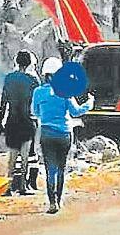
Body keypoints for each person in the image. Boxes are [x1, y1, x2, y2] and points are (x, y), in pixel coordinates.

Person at [31, 60, 93, 214]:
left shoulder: (38, 92)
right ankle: (58, 200)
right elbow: (75, 112)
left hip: (46, 133)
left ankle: (52, 202)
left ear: (45, 74)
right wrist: (89, 103)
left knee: (50, 169)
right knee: (61, 168)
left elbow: (35, 112)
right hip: (64, 134)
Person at [0, 51, 40, 195]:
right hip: (27, 121)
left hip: (12, 120)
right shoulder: (33, 80)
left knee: (12, 156)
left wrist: (0, 120)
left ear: (16, 61)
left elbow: (4, 101)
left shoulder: (9, 78)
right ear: (30, 63)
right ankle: (23, 186)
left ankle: (8, 187)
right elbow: (36, 103)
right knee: (25, 155)